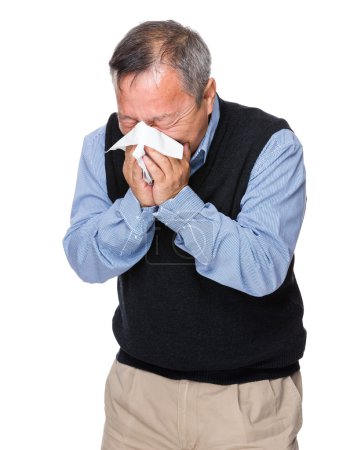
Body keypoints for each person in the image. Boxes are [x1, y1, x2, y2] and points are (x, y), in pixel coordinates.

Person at [63, 20, 307, 450]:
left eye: (163, 120)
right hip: (138, 395)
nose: (144, 139)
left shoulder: (271, 144)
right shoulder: (100, 145)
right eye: (129, 120)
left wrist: (176, 201)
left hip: (245, 400)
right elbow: (85, 259)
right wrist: (137, 206)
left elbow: (262, 268)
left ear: (207, 95)